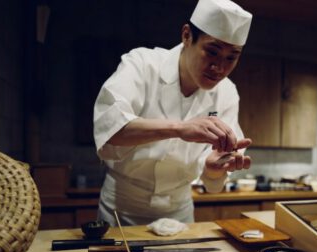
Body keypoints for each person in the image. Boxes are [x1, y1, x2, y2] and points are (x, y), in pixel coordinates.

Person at [93, 0, 253, 225]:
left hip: (179, 212)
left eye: (231, 57)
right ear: (187, 36)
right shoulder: (142, 64)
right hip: (121, 208)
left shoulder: (227, 92)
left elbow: (213, 178)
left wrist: (213, 169)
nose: (219, 67)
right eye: (212, 51)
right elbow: (110, 129)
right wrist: (180, 128)